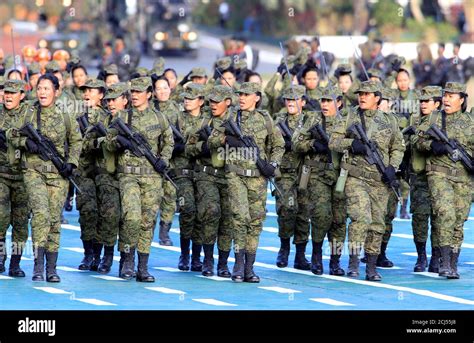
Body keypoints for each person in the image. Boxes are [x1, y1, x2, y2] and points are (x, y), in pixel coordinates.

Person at [8, 73, 82, 282]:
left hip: (58, 175)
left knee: (53, 220)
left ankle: (52, 267)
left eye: (47, 89)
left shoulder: (65, 116)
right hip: (33, 171)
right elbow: (10, 133)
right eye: (39, 88)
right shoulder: (27, 112)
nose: (42, 92)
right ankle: (38, 266)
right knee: (40, 213)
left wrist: (71, 163)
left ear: (56, 92)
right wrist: (25, 143)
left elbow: (76, 141)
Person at [208, 82, 285, 283]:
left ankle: (249, 267)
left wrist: (272, 164)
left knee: (255, 221)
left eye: (246, 94)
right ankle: (238, 263)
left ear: (257, 97)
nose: (241, 98)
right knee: (240, 218)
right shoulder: (230, 117)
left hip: (258, 177)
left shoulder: (266, 119)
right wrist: (226, 140)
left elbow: (279, 145)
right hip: (235, 175)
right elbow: (211, 141)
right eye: (240, 94)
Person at [328, 80, 405, 281]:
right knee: (360, 218)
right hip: (355, 178)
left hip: (380, 180)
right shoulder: (349, 116)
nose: (362, 97)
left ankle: (371, 266)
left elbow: (398, 147)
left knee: (378, 223)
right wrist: (352, 144)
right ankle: (353, 263)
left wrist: (392, 168)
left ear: (377, 98)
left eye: (367, 94)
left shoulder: (389, 121)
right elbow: (333, 141)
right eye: (360, 93)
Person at [104, 77, 173, 282]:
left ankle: (142, 266)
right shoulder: (122, 117)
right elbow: (107, 144)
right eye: (132, 91)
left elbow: (169, 142)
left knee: (147, 221)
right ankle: (127, 260)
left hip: (152, 176)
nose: (134, 95)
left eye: (139, 91)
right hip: (128, 175)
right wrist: (120, 141)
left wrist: (164, 160)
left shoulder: (160, 118)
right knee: (131, 218)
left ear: (149, 94)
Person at [414, 82, 472, 279]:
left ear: (462, 99)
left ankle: (453, 262)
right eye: (445, 95)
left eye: (451, 96)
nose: (446, 99)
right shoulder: (433, 118)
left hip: (464, 178)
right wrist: (433, 145)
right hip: (438, 174)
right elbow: (417, 141)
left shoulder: (470, 122)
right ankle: (444, 262)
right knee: (445, 213)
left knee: (458, 220)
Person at [293, 86, 347, 276]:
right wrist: (313, 145)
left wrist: (339, 147)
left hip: (341, 175)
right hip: (317, 174)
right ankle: (316, 256)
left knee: (339, 219)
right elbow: (296, 143)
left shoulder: (347, 121)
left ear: (339, 102)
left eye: (329, 100)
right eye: (322, 100)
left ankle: (335, 260)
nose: (324, 104)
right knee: (321, 215)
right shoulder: (312, 119)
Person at [186, 85, 234, 277]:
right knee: (210, 213)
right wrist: (205, 147)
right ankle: (207, 259)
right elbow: (188, 148)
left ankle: (223, 263)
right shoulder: (203, 122)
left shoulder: (236, 122)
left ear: (228, 102)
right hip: (207, 175)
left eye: (217, 101)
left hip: (230, 176)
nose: (213, 105)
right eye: (211, 101)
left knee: (228, 219)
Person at [272, 85, 311, 271]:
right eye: (287, 100)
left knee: (303, 213)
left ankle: (300, 255)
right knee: (287, 209)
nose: (290, 103)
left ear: (302, 102)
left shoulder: (309, 121)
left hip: (306, 173)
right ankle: (284, 247)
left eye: (295, 99)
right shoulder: (278, 121)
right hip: (285, 173)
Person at [410, 86, 442, 273]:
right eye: (421, 101)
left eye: (427, 101)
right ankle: (421, 256)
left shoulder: (444, 122)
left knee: (439, 218)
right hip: (420, 178)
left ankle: (436, 257)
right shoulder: (414, 121)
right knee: (420, 218)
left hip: (439, 176)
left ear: (436, 103)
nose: (423, 104)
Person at [0, 80, 30, 277]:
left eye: (13, 92)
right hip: (1, 174)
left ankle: (15, 263)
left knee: (20, 223)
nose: (8, 96)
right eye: (5, 92)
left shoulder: (30, 114)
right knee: (0, 217)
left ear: (22, 94)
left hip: (24, 176)